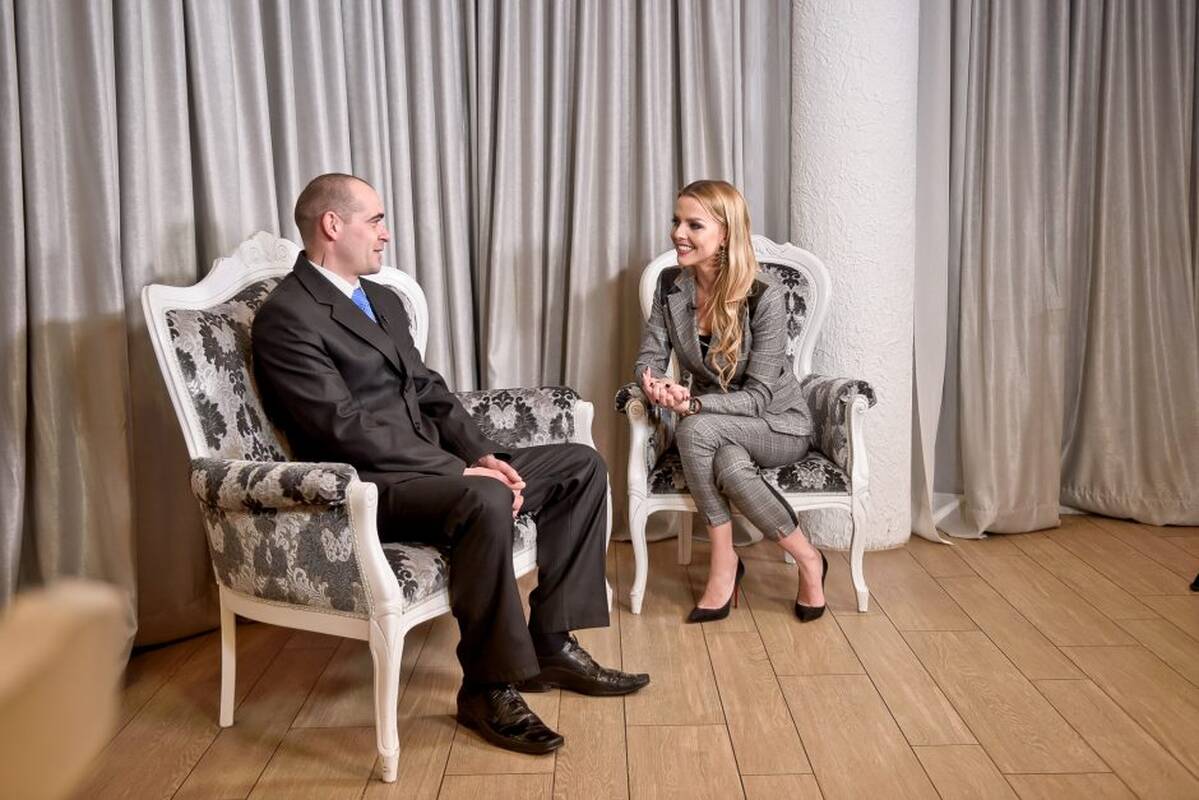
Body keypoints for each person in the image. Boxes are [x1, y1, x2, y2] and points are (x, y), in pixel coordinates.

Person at [252, 173, 648, 756]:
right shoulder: (287, 316)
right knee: (485, 497)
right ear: (332, 225)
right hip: (366, 488)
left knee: (581, 466)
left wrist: (481, 454)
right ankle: (487, 689)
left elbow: (428, 390)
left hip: (433, 469)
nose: (386, 234)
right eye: (376, 220)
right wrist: (459, 473)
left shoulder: (381, 298)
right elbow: (339, 427)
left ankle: (551, 645)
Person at [633, 179, 828, 623]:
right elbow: (649, 357)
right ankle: (795, 558)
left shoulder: (764, 294)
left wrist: (693, 407)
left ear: (725, 234)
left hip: (777, 423)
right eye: (676, 221)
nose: (678, 233)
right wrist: (657, 385)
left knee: (695, 428)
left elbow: (758, 397)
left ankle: (734, 561)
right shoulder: (670, 285)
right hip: (716, 430)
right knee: (727, 462)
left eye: (694, 225)